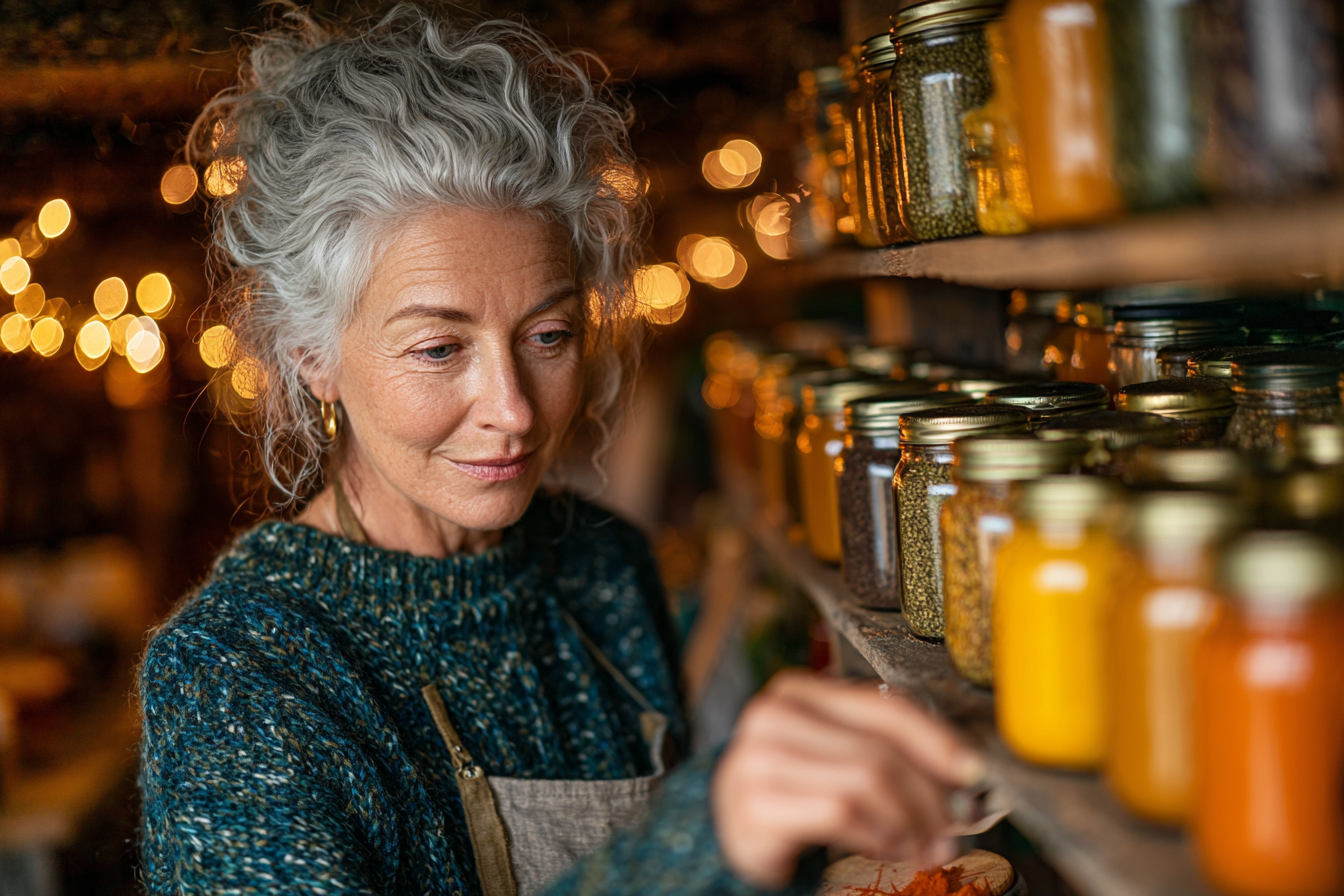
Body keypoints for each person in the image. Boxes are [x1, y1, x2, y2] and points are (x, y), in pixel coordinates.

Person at [137, 6, 984, 895]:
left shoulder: (604, 567)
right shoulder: (240, 673)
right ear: (313, 355)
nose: (513, 411)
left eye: (548, 336)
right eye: (438, 348)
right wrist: (712, 831)